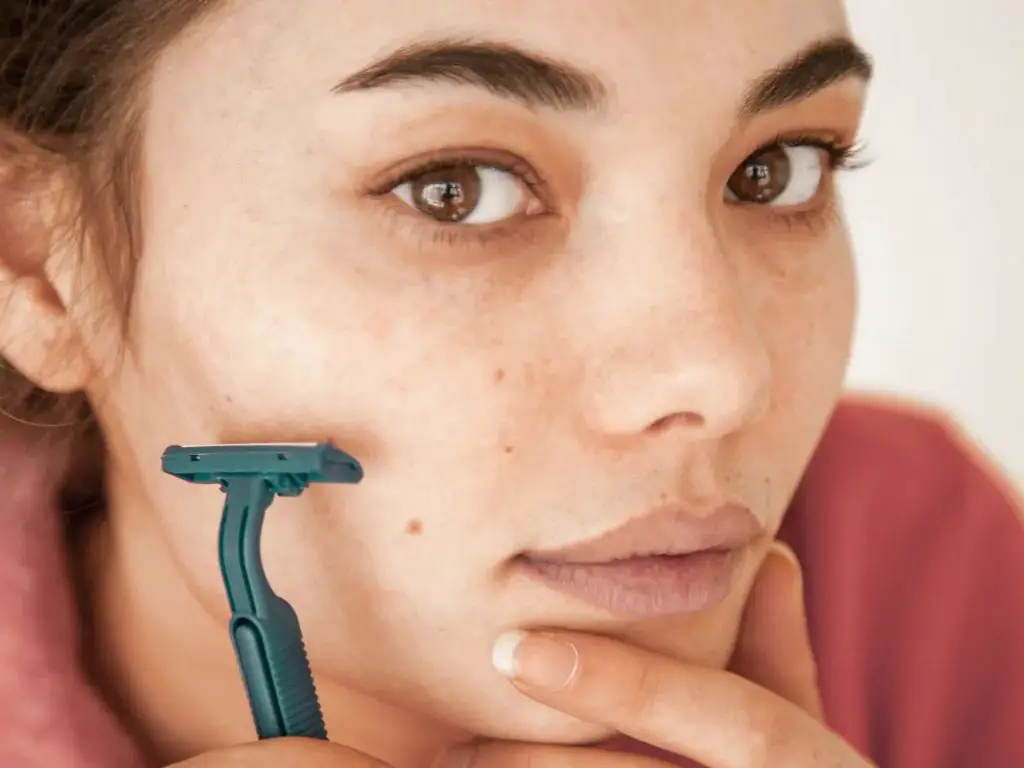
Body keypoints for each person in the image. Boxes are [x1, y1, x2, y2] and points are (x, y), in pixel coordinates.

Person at [0, 2, 1021, 766]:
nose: (722, 377)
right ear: (41, 270)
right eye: (455, 190)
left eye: (778, 168)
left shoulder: (924, 564)